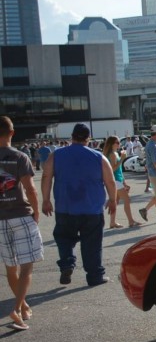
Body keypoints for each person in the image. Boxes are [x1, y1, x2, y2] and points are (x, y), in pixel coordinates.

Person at [41, 123, 116, 287]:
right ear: (88, 138)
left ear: (72, 137)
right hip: (92, 208)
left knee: (64, 238)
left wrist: (46, 200)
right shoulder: (99, 157)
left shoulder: (56, 155)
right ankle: (95, 276)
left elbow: (46, 176)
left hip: (65, 207)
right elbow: (110, 181)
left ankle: (67, 264)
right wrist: (113, 200)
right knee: (92, 243)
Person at [0, 117, 43, 330]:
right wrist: (36, 211)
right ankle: (17, 309)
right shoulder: (19, 157)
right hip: (20, 214)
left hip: (1, 219)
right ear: (12, 133)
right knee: (26, 266)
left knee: (11, 267)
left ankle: (24, 306)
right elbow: (30, 188)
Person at [103, 136, 141, 229]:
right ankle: (131, 221)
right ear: (111, 144)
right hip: (115, 180)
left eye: (119, 142)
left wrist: (124, 181)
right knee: (126, 199)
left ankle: (112, 222)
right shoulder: (112, 154)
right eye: (117, 142)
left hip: (117, 180)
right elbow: (112, 169)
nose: (119, 144)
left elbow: (119, 170)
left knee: (116, 201)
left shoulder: (115, 153)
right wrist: (122, 159)